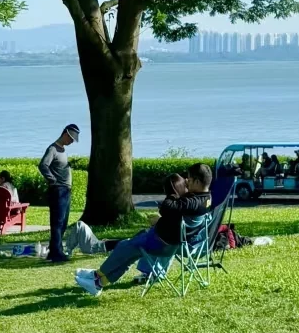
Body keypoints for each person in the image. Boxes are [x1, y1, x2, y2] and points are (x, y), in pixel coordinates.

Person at [74, 163, 213, 296]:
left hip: (160, 244)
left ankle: (96, 277)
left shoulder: (193, 202)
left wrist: (173, 193)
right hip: (168, 243)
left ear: (197, 181)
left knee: (124, 247)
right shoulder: (206, 199)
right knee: (130, 252)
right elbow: (177, 218)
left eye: (189, 179)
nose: (187, 181)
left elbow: (167, 207)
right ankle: (99, 281)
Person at [38, 124, 79, 264]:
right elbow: (43, 165)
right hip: (58, 190)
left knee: (63, 223)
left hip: (66, 190)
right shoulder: (53, 149)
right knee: (57, 222)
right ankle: (57, 253)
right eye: (71, 138)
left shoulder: (63, 150)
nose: (72, 141)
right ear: (65, 134)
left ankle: (54, 251)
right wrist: (53, 180)